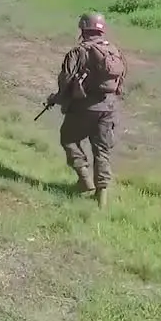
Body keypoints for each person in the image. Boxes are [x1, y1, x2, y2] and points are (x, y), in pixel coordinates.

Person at [47, 13, 127, 207]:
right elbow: (121, 80)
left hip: (85, 108)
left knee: (68, 138)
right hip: (109, 108)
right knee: (102, 150)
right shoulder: (114, 51)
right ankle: (102, 199)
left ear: (83, 29)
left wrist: (56, 99)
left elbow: (65, 80)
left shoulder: (78, 52)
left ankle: (84, 180)